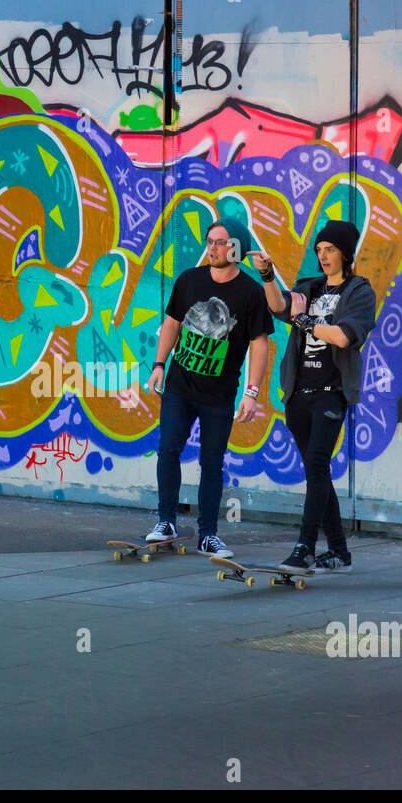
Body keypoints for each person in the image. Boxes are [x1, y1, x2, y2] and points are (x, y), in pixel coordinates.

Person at [142, 218, 274, 557]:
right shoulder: (190, 280)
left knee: (211, 462)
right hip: (179, 387)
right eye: (209, 241)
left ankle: (208, 534)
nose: (211, 248)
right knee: (168, 448)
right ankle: (166, 521)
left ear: (236, 249)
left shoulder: (250, 293)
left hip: (219, 394)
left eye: (219, 242)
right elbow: (172, 322)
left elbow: (260, 344)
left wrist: (252, 392)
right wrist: (158, 366)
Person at [255, 220, 376, 575]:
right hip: (298, 394)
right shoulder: (309, 286)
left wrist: (305, 320)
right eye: (320, 250)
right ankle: (338, 552)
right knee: (315, 470)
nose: (323, 257)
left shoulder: (359, 291)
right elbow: (280, 309)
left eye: (330, 250)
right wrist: (267, 276)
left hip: (330, 394)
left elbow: (343, 337)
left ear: (345, 254)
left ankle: (305, 547)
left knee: (318, 466)